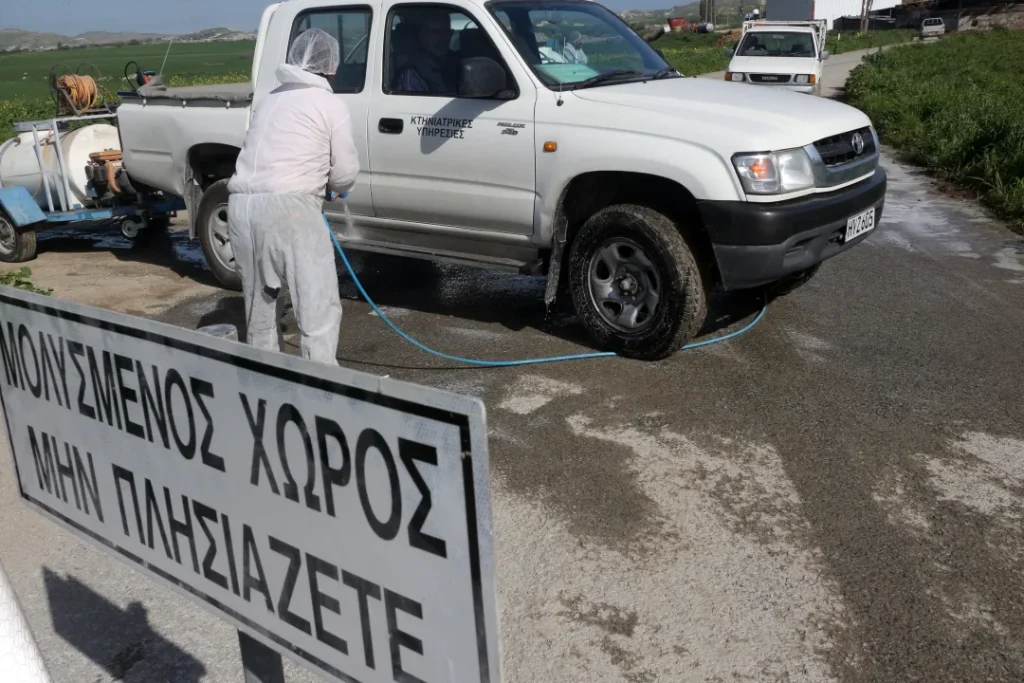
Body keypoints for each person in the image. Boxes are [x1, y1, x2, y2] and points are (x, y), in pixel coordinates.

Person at [226, 28, 358, 364]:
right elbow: (345, 173)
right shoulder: (330, 104)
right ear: (331, 66)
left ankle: (266, 380)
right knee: (316, 307)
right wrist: (333, 187)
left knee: (260, 305)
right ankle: (322, 385)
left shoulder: (270, 100)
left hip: (241, 207)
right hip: (290, 210)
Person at [392, 9, 459, 93]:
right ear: (423, 36)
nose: (443, 37)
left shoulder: (459, 61)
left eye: (447, 32)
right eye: (436, 32)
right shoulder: (413, 72)